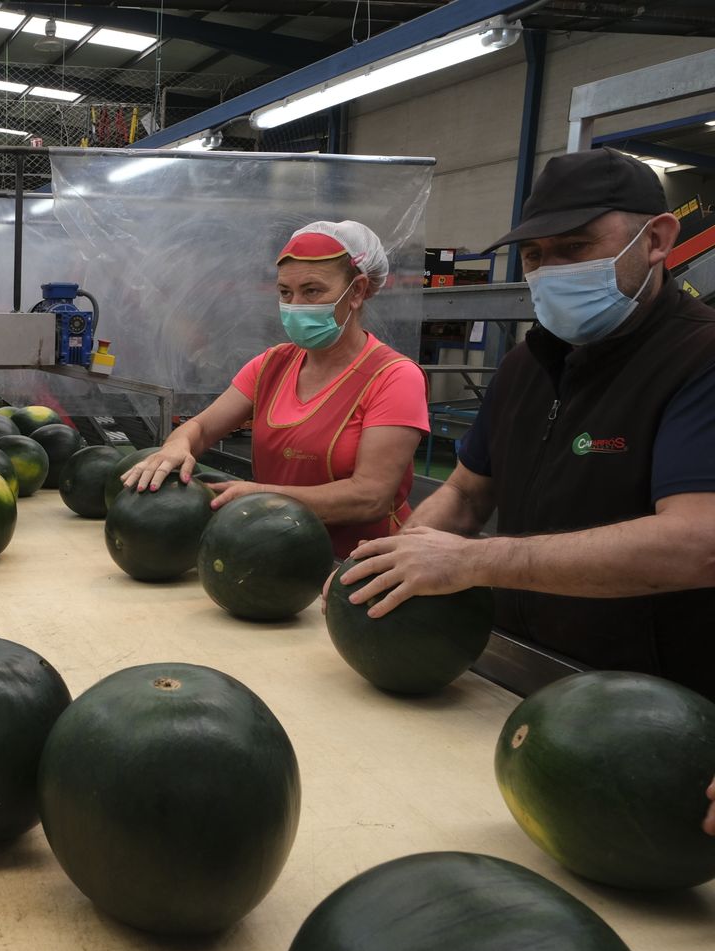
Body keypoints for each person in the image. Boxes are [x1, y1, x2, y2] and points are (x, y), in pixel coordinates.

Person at [337, 150, 715, 703]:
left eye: (575, 248)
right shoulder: (527, 364)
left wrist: (474, 560)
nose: (550, 270)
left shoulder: (700, 358)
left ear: (657, 240)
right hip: (517, 674)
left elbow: (696, 543)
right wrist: (391, 564)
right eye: (535, 255)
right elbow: (467, 492)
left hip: (651, 704)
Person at [121, 220, 429, 559]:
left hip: (356, 566)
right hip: (271, 553)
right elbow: (202, 427)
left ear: (356, 291)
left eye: (312, 291)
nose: (295, 304)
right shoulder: (271, 365)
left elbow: (370, 497)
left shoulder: (394, 378)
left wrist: (261, 496)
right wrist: (176, 445)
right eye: (285, 292)